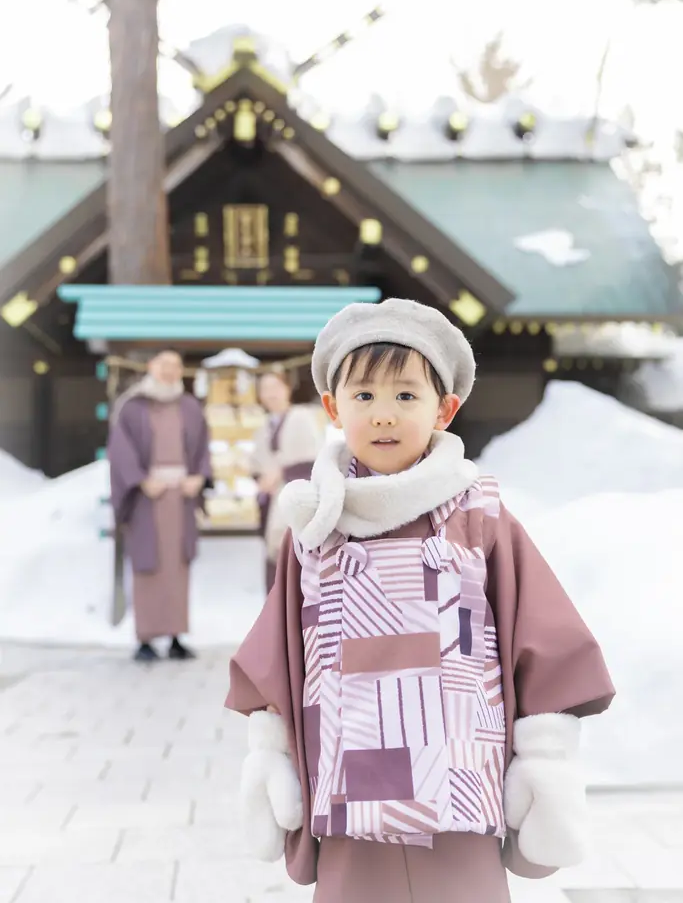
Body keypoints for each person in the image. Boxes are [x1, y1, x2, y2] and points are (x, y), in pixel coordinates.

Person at [224, 298, 616, 903]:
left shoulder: (479, 515)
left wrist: (545, 755)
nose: (384, 416)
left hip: (458, 769)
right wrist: (269, 749)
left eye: (406, 396)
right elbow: (278, 654)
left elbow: (542, 634)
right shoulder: (315, 526)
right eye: (364, 397)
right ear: (333, 408)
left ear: (445, 409)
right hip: (347, 771)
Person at [108, 348, 213, 663]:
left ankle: (176, 636)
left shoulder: (190, 407)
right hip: (147, 500)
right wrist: (140, 480)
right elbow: (120, 450)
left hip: (180, 498)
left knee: (177, 568)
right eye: (164, 364)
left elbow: (203, 449)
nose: (170, 371)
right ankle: (145, 638)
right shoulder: (133, 407)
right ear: (151, 367)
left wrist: (199, 477)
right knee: (148, 566)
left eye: (176, 365)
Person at [252, 369, 323, 593]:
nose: (271, 394)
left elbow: (312, 459)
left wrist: (281, 473)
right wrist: (262, 478)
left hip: (295, 498)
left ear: (286, 389)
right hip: (272, 498)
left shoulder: (301, 417)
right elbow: (255, 463)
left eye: (275, 388)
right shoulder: (264, 425)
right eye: (265, 389)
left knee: (293, 557)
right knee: (275, 559)